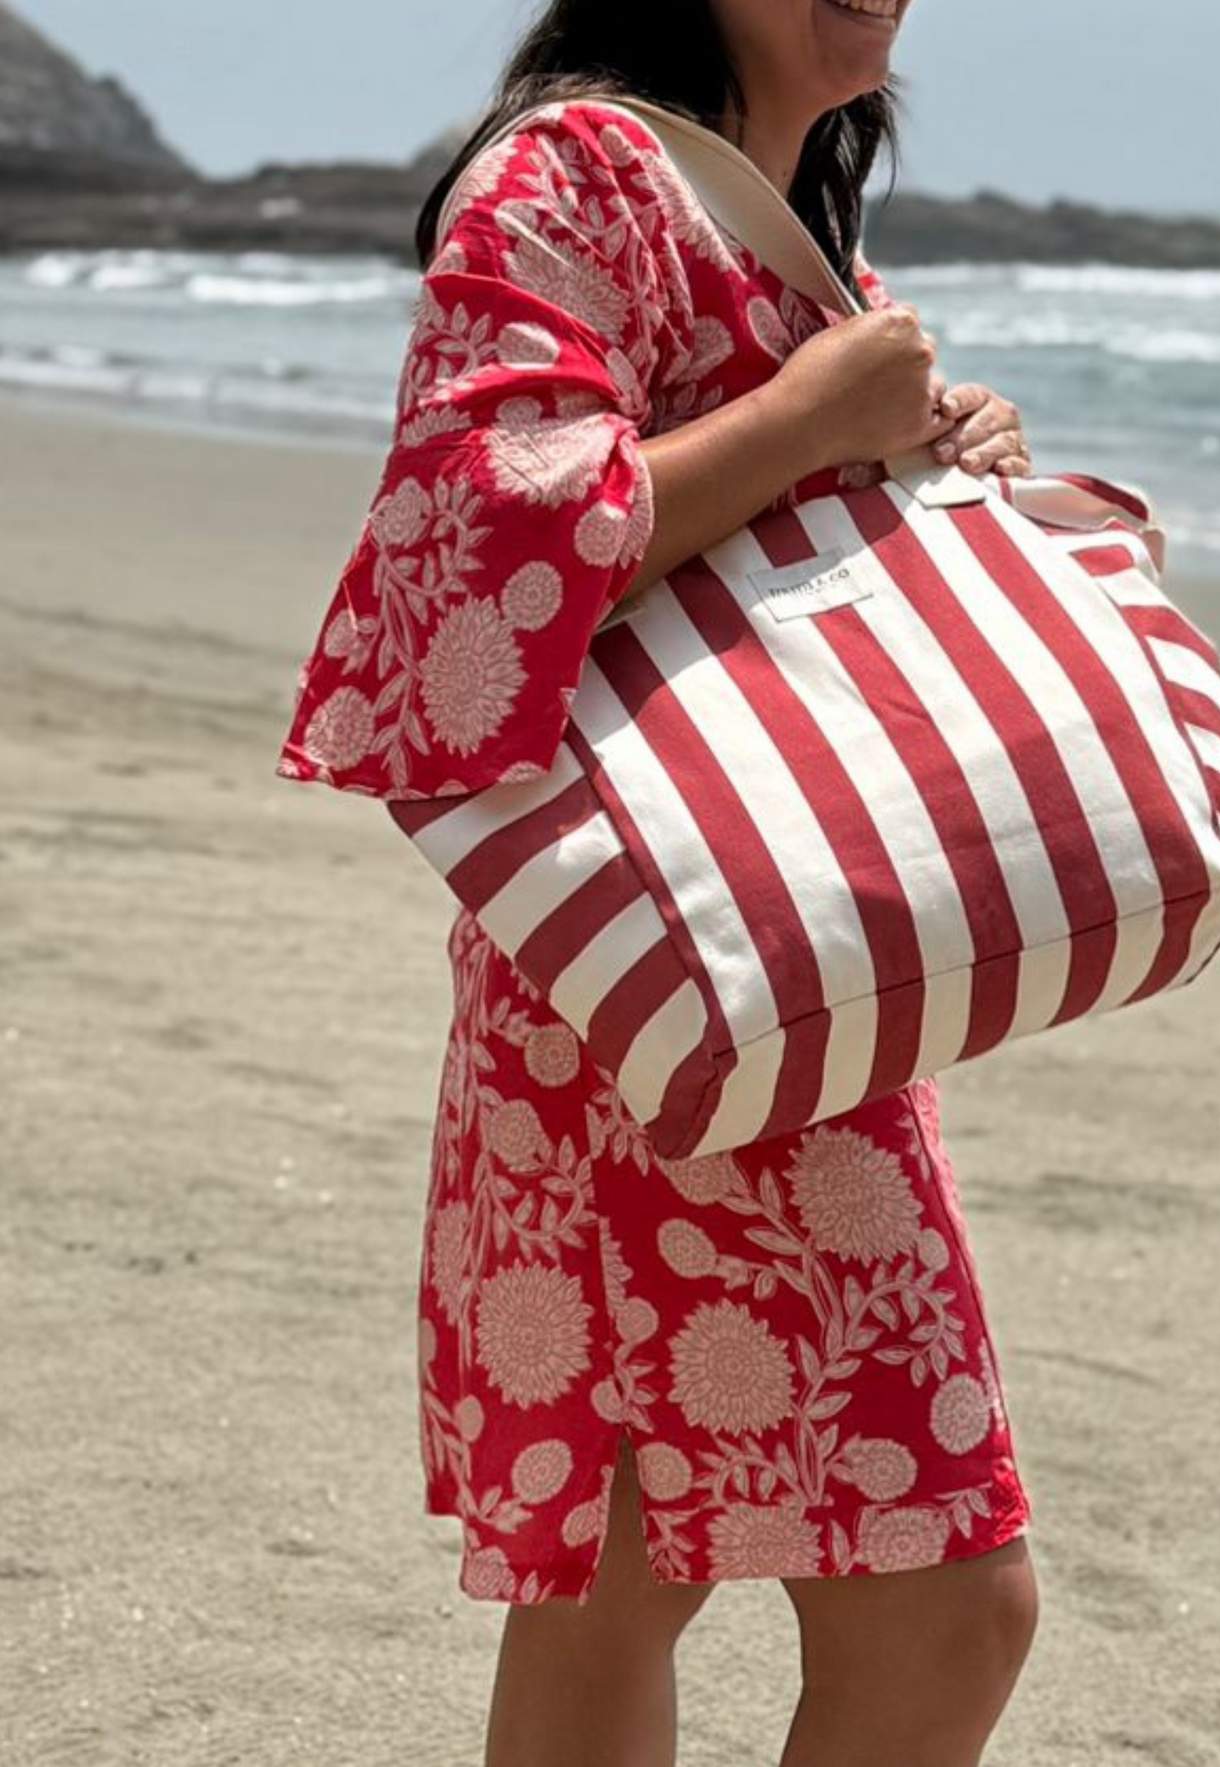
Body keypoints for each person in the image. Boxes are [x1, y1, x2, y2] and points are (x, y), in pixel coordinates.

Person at [278, 1, 1040, 1761]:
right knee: (945, 1604)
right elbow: (466, 565)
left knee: (623, 1575)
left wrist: (927, 444)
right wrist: (809, 414)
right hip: (666, 981)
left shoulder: (783, 219)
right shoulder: (567, 175)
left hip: (730, 970)